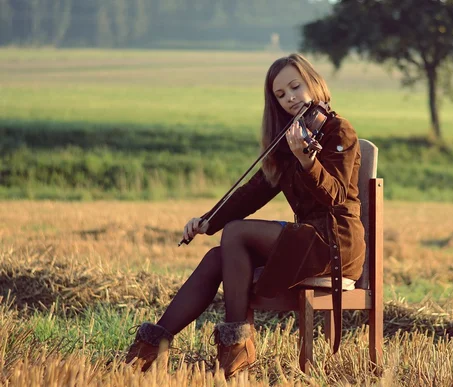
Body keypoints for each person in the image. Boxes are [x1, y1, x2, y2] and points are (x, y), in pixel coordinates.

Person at [124, 53, 366, 378]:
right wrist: (209, 220)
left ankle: (236, 346)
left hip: (333, 244)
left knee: (237, 233)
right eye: (280, 95)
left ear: (313, 82)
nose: (290, 98)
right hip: (306, 241)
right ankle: (148, 350)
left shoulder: (338, 131)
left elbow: (335, 195)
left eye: (295, 86)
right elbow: (254, 191)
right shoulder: (290, 139)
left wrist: (308, 162)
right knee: (216, 257)